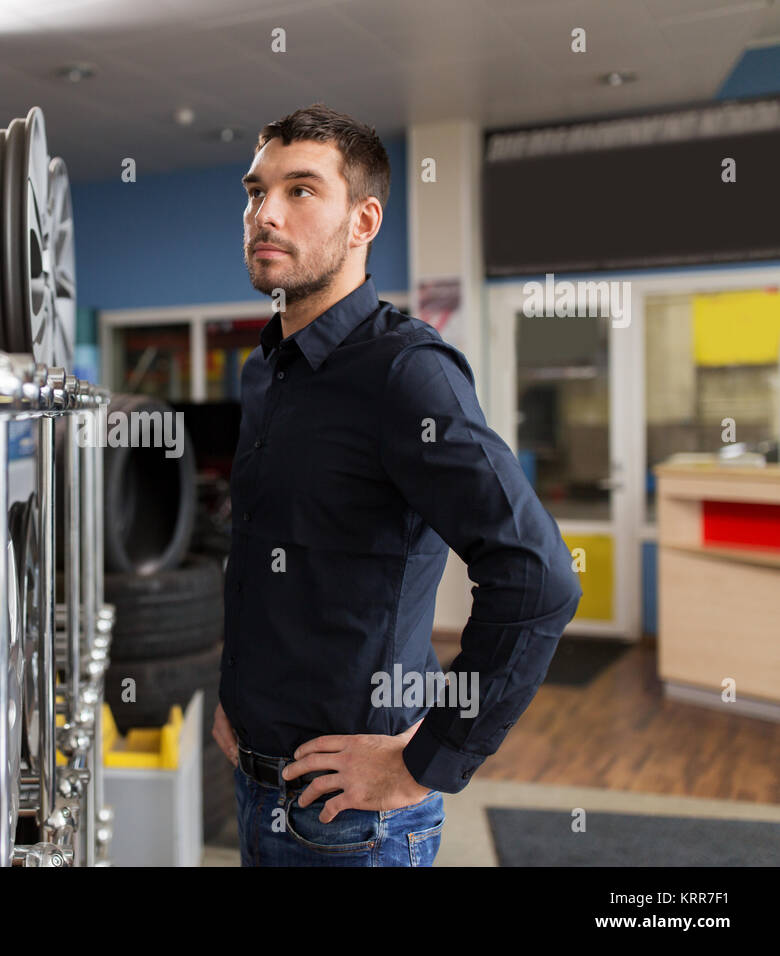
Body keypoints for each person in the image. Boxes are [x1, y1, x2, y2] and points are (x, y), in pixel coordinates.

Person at [212, 104, 582, 867]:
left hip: (350, 823)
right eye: (255, 192)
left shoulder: (406, 373)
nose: (265, 213)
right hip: (256, 786)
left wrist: (426, 761)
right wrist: (237, 699)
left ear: (363, 220)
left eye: (301, 190)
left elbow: (537, 577)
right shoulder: (267, 369)